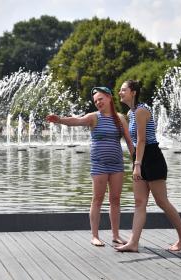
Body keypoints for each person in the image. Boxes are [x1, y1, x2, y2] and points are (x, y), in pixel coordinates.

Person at [46, 86, 133, 246]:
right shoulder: (94, 117)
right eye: (95, 101)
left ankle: (116, 235)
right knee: (97, 199)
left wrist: (137, 162)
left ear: (108, 97)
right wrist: (60, 120)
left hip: (117, 164)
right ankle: (95, 236)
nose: (98, 103)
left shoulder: (120, 118)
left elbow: (128, 140)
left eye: (100, 99)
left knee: (115, 199)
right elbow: (77, 121)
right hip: (99, 164)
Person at [115, 80, 181, 252]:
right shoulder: (131, 112)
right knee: (139, 202)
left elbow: (142, 140)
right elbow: (134, 141)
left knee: (162, 201)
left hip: (152, 158)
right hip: (140, 157)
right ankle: (133, 243)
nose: (120, 92)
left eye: (123, 90)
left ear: (133, 92)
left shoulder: (141, 110)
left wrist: (137, 164)